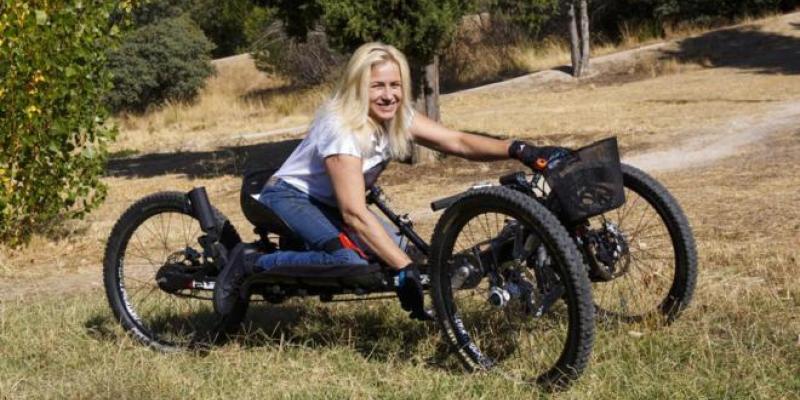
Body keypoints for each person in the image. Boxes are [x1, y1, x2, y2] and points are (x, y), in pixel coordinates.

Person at [214, 42, 566, 320]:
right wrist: (403, 269)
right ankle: (250, 262)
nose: (389, 95)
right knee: (354, 264)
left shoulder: (397, 116)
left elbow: (456, 142)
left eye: (395, 85)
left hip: (331, 204)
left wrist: (516, 148)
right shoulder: (342, 127)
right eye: (377, 86)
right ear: (358, 88)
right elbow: (353, 213)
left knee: (410, 253)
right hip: (289, 197)